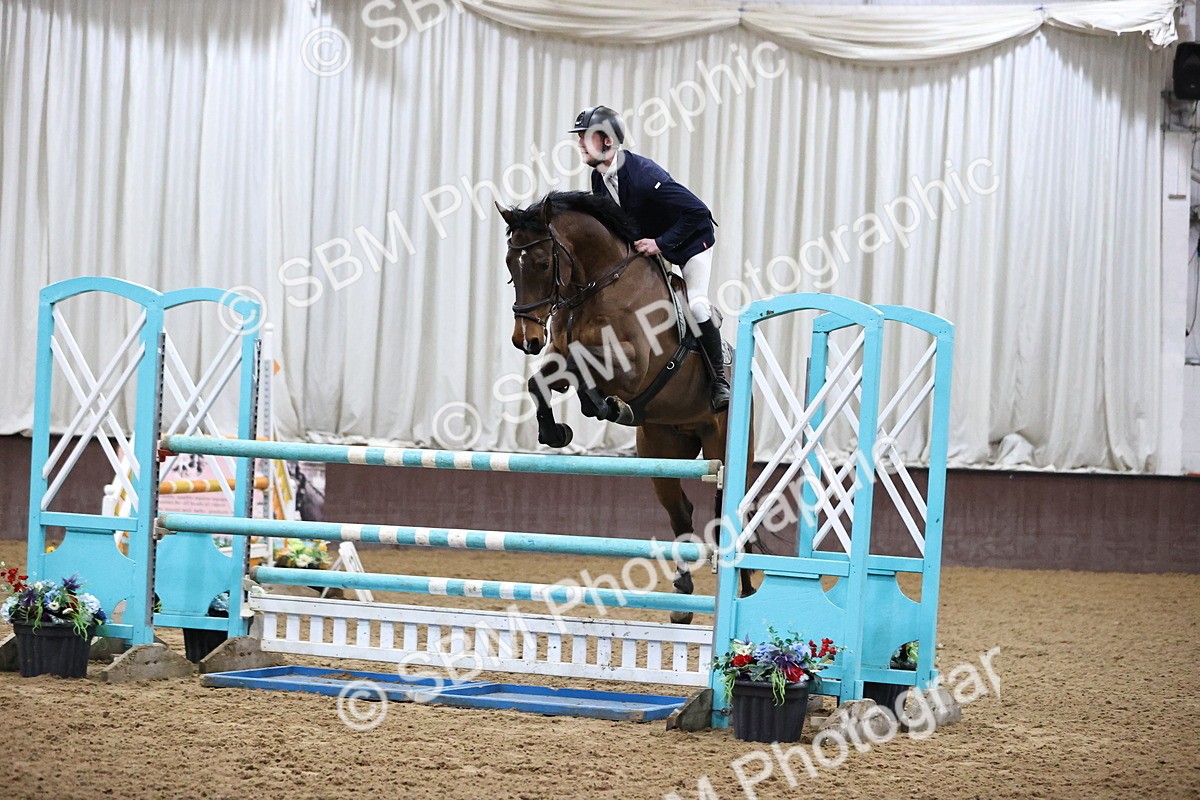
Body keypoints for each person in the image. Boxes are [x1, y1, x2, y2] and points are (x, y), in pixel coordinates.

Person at [569, 105, 731, 412]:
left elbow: (698, 211)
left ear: (607, 140)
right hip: (651, 245)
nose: (579, 143)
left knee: (696, 306)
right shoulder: (598, 178)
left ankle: (719, 382)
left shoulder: (644, 175)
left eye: (585, 136)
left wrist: (660, 243)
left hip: (691, 243)